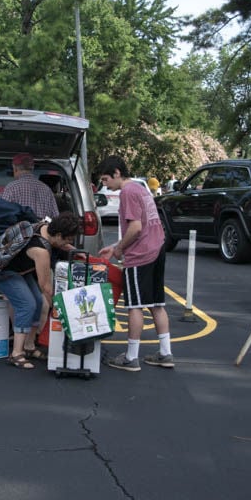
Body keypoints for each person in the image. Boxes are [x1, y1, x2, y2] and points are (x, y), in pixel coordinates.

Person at [97, 155, 174, 371]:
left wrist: (119, 249)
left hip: (140, 255)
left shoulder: (128, 192)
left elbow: (136, 228)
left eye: (105, 179)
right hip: (157, 247)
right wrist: (115, 246)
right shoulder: (141, 188)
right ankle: (165, 353)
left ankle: (131, 357)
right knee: (157, 303)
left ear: (117, 173)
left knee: (134, 306)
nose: (105, 185)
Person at [0, 213, 82, 369]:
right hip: (3, 271)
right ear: (58, 235)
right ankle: (16, 353)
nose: (69, 243)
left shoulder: (45, 227)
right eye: (68, 239)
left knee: (38, 302)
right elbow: (45, 285)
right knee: (27, 305)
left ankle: (29, 347)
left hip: (20, 270)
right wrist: (58, 307)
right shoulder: (41, 250)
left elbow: (63, 244)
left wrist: (78, 252)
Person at [2, 152, 59, 220]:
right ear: (32, 168)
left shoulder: (11, 188)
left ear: (15, 169)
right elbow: (55, 218)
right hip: (42, 229)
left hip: (19, 230)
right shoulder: (46, 189)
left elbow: (3, 215)